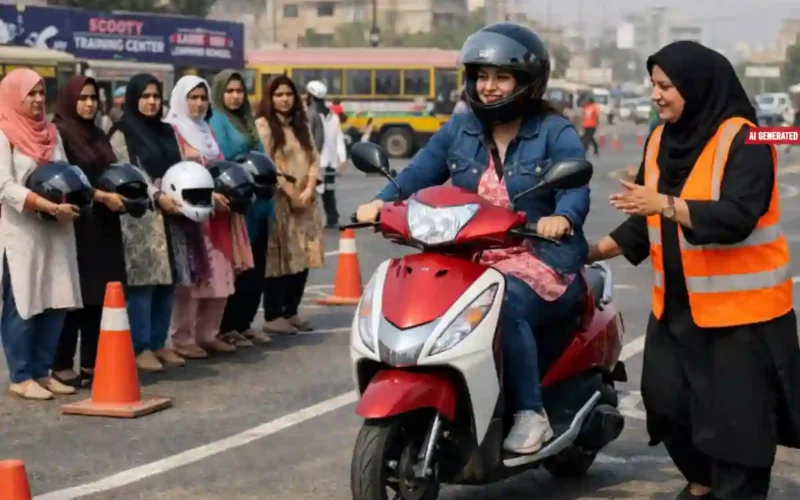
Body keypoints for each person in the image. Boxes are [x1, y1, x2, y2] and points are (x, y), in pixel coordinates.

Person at [355, 23, 589, 455]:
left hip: (538, 256)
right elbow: (419, 172)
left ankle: (530, 413)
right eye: (482, 76)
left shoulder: (554, 132)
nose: (488, 86)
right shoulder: (459, 130)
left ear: (527, 82)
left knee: (505, 302)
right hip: (470, 256)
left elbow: (575, 186)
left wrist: (562, 217)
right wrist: (379, 202)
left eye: (502, 77)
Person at [588, 41, 800, 500]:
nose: (656, 95)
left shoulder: (748, 139)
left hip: (744, 319)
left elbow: (737, 216)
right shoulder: (660, 140)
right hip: (677, 312)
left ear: (697, 86)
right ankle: (703, 481)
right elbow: (643, 220)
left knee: (740, 433)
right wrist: (589, 252)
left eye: (666, 86)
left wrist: (664, 203)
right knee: (666, 406)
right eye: (653, 85)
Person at [0, 68, 84, 400]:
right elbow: (4, 186)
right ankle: (21, 376)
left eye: (40, 93)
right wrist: (44, 205)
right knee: (24, 301)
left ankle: (42, 371)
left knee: (55, 298)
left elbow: (63, 171)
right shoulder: (4, 133)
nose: (37, 100)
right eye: (30, 94)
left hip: (57, 229)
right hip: (21, 231)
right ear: (14, 96)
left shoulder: (51, 132)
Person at [165, 75, 254, 354]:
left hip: (219, 214)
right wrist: (208, 195)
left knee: (219, 272)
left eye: (203, 98)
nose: (199, 103)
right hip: (192, 213)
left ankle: (208, 333)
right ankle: (183, 338)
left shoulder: (206, 131)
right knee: (194, 276)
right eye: (193, 97)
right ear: (181, 99)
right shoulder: (174, 130)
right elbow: (177, 173)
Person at [50, 75, 127, 388]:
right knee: (76, 296)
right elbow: (66, 177)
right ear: (70, 99)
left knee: (100, 296)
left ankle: (92, 361)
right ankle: (61, 362)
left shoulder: (97, 133)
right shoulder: (60, 133)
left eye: (93, 98)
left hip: (105, 224)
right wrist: (101, 196)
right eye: (82, 98)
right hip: (77, 223)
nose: (89, 104)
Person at [108, 74, 185, 371]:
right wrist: (157, 195)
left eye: (155, 96)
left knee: (167, 281)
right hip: (140, 215)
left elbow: (179, 167)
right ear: (133, 98)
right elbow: (127, 170)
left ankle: (158, 342)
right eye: (145, 96)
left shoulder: (166, 131)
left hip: (172, 212)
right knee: (144, 282)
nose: (151, 102)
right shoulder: (122, 131)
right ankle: (139, 346)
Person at [255, 75, 324, 335]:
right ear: (270, 98)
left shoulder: (300, 125)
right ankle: (274, 315)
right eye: (279, 95)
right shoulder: (264, 126)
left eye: (288, 94)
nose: (284, 99)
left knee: (303, 255)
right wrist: (291, 194)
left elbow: (314, 159)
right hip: (280, 202)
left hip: (306, 201)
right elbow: (267, 165)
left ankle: (291, 310)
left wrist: (308, 189)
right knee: (280, 258)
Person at [210, 69, 272, 344]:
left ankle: (244, 322)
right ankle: (227, 326)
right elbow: (223, 160)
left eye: (239, 91)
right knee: (237, 267)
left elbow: (260, 154)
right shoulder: (217, 120)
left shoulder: (247, 119)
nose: (235, 96)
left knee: (255, 267)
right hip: (239, 203)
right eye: (229, 91)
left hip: (260, 203)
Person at [305, 80, 346, 228]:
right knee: (328, 192)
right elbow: (339, 138)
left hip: (318, 162)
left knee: (315, 192)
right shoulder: (333, 115)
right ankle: (332, 217)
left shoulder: (311, 115)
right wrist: (342, 158)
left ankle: (324, 218)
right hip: (330, 162)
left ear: (310, 96)